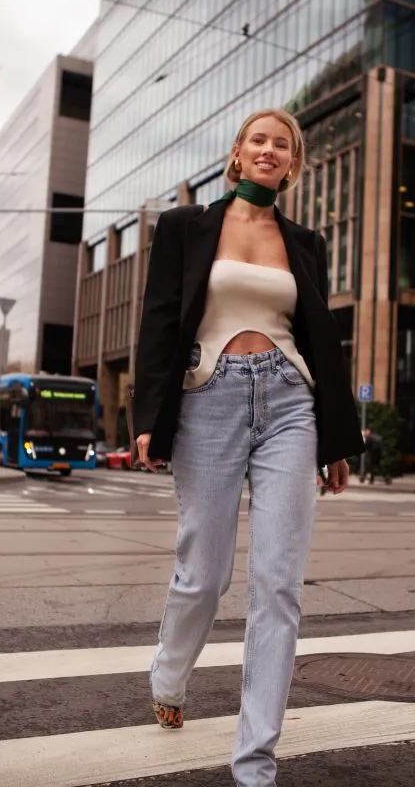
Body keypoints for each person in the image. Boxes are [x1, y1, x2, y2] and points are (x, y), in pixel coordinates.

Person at [132, 108, 364, 786]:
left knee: (278, 586)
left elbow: (321, 340)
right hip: (209, 397)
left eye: (282, 145)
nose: (269, 149)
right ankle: (170, 674)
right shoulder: (185, 227)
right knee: (204, 575)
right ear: (237, 153)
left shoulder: (306, 243)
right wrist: (148, 416)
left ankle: (255, 764)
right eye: (258, 140)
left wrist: (336, 438)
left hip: (291, 402)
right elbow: (159, 323)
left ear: (292, 164)